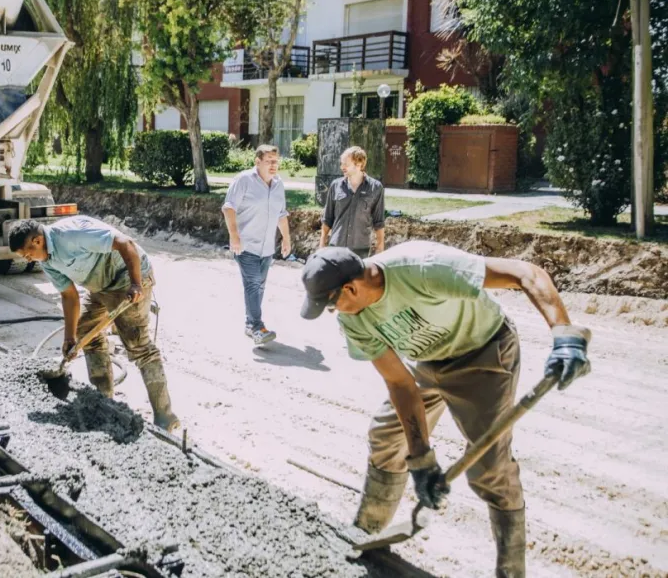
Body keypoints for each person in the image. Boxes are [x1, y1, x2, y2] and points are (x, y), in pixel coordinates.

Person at [299, 241, 592, 577]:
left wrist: (565, 334)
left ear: (351, 287)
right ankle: (367, 533)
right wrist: (421, 458)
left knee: (490, 467)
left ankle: (512, 572)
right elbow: (400, 384)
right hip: (428, 362)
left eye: (333, 305)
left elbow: (526, 274)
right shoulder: (354, 320)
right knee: (386, 436)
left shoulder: (422, 267)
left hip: (483, 354)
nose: (334, 313)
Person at [7, 216, 180, 432]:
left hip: (127, 277)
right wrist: (70, 338)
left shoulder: (70, 235)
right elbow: (69, 296)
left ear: (37, 241)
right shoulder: (47, 261)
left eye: (27, 254)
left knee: (138, 345)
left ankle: (165, 416)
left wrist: (136, 284)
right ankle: (104, 401)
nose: (29, 259)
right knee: (85, 334)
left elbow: (126, 244)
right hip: (101, 286)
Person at [221, 144, 292, 345]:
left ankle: (249, 324)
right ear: (257, 162)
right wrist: (234, 235)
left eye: (275, 161)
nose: (273, 165)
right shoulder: (243, 180)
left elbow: (281, 214)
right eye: (269, 161)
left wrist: (286, 239)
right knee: (252, 284)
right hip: (245, 246)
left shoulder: (278, 185)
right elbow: (228, 208)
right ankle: (257, 327)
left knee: (259, 286)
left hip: (267, 248)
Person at [320, 146, 385, 258]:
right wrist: (322, 243)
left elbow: (379, 221)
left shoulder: (376, 188)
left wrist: (380, 247)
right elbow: (327, 218)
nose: (342, 167)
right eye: (341, 163)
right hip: (336, 248)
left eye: (346, 164)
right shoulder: (335, 186)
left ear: (359, 164)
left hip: (361, 250)